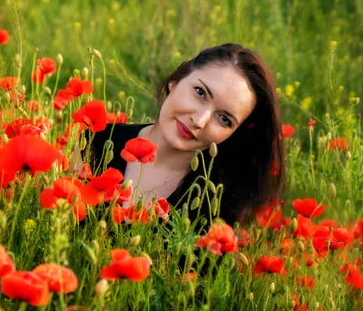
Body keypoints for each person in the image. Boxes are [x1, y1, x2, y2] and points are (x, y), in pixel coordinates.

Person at [70, 43, 285, 227]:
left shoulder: (221, 200)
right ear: (176, 80)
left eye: (224, 119)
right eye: (200, 93)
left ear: (233, 134)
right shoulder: (96, 142)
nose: (199, 121)